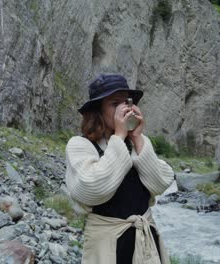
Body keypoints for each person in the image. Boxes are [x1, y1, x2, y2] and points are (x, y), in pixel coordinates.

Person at [65, 73, 175, 264]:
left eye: (127, 102)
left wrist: (137, 138)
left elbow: (162, 182)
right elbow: (92, 188)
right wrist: (120, 135)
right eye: (115, 104)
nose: (125, 109)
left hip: (145, 239)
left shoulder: (136, 142)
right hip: (108, 244)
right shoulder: (80, 145)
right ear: (98, 111)